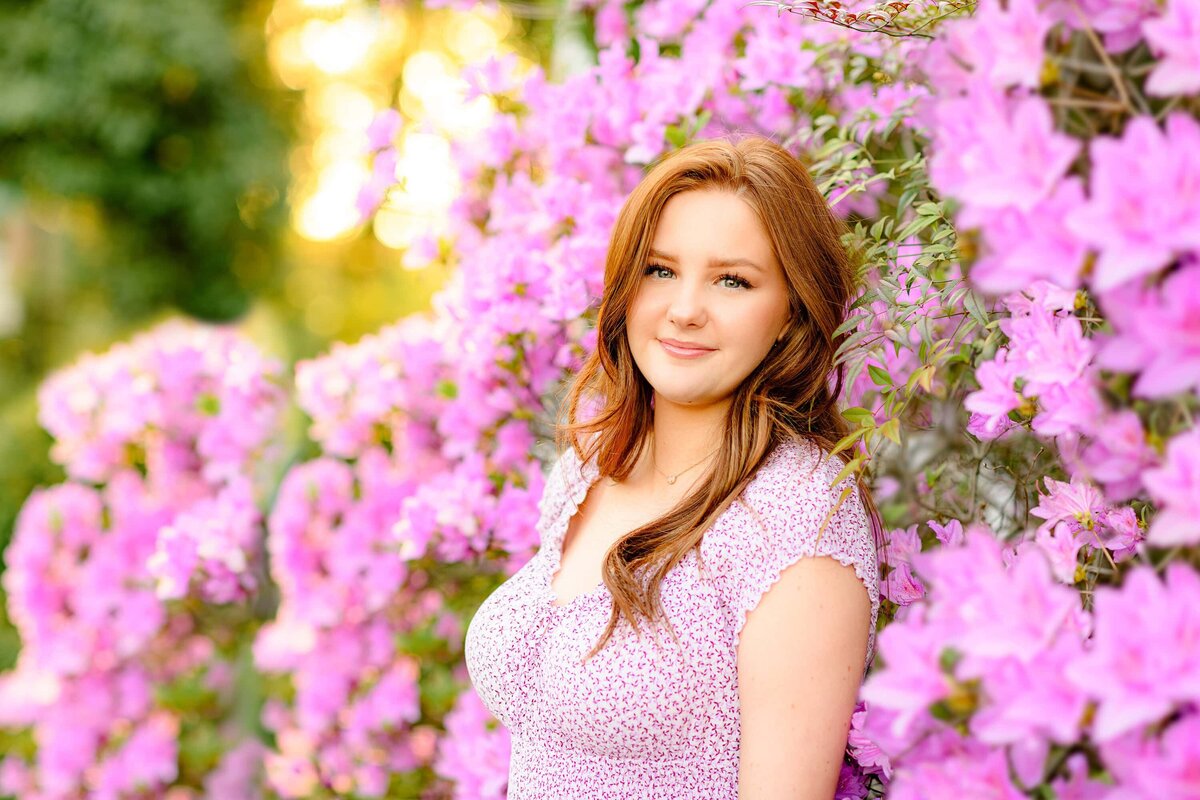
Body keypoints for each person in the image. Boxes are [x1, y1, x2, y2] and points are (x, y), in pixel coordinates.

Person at [464, 135, 881, 800]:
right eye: (660, 270)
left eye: (732, 280)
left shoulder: (799, 518)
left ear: (788, 315)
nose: (685, 309)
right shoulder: (589, 467)